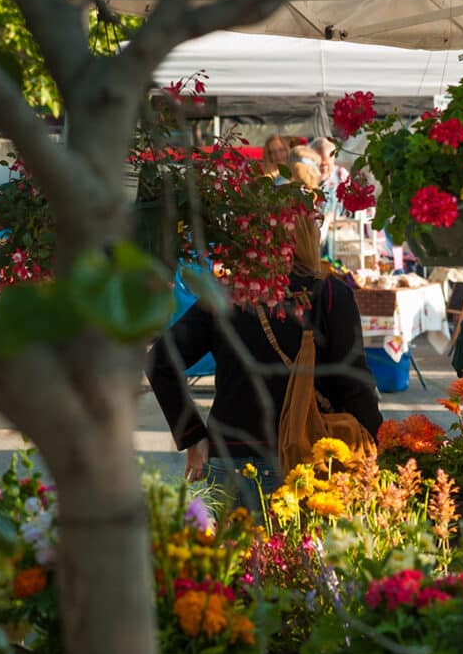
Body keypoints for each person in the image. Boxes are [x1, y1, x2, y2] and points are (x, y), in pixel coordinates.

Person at [146, 214, 382, 507]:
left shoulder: (227, 292)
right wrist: (378, 442)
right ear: (308, 237)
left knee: (234, 552)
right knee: (304, 552)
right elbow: (354, 385)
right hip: (309, 454)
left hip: (231, 453)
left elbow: (159, 362)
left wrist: (193, 436)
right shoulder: (330, 294)